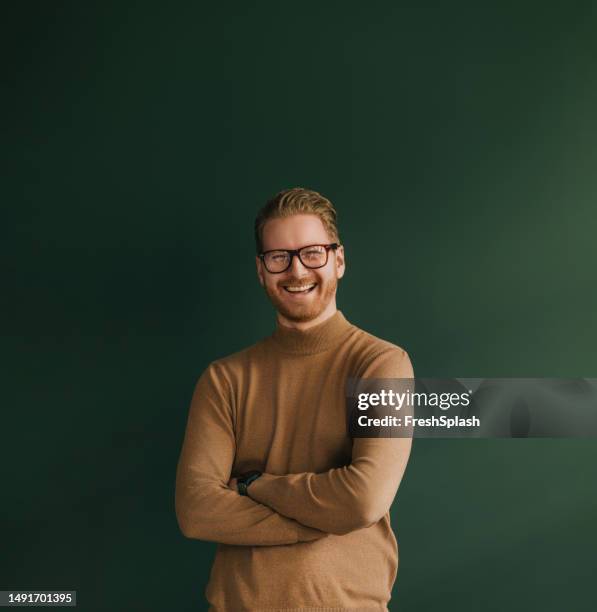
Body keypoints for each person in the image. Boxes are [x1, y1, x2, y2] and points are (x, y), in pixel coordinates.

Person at [175, 187, 414, 611]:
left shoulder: (381, 365)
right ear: (261, 270)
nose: (296, 270)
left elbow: (362, 500)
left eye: (312, 253)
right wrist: (316, 521)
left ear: (338, 261)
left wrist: (255, 485)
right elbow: (196, 511)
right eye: (279, 257)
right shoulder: (223, 379)